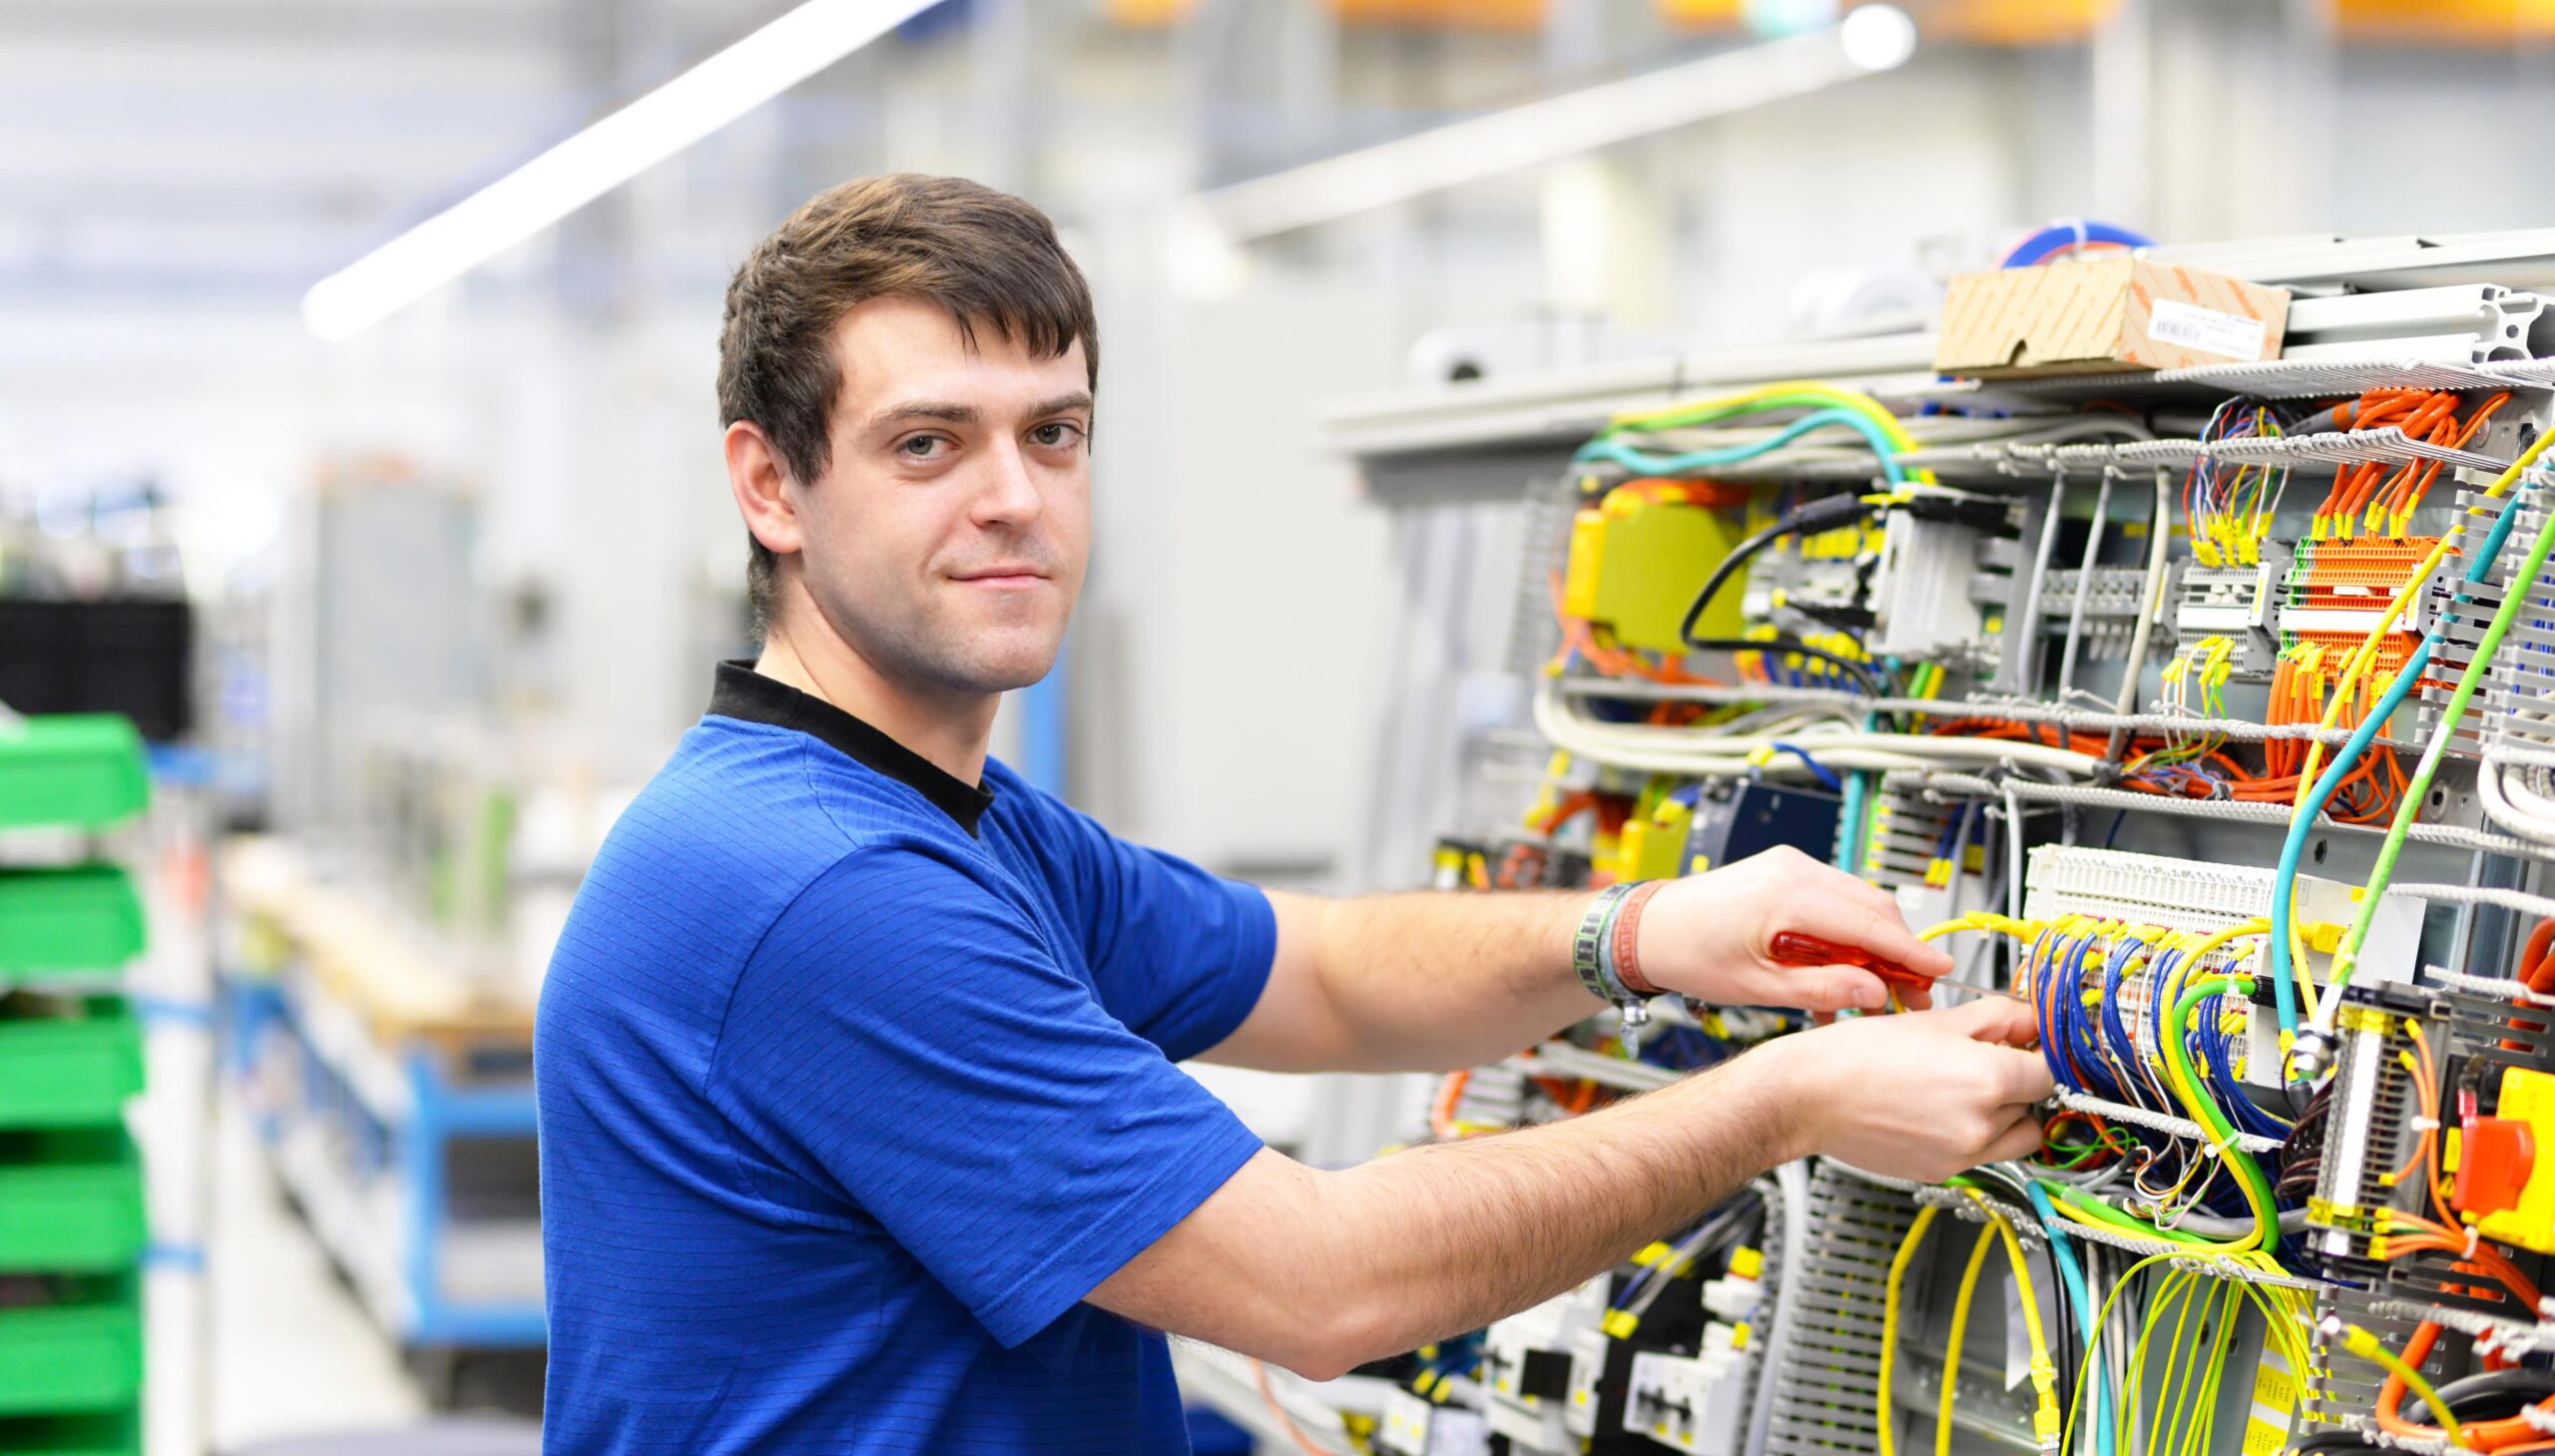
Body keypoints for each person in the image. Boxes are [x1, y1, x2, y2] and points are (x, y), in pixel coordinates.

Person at [533, 174, 2053, 1455]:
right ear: (772, 488)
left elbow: (1313, 970)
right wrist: (1783, 1103)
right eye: (929, 442)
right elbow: (1325, 1289)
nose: (1015, 498)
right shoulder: (829, 887)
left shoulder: (956, 823)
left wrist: (1643, 931)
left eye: (1052, 434)